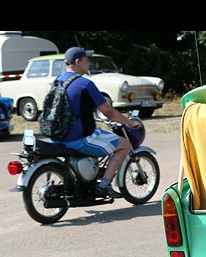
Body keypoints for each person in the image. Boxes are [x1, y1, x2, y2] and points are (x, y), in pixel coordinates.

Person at [48, 47, 141, 199]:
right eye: (87, 60)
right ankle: (103, 186)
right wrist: (128, 122)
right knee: (124, 145)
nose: (89, 64)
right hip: (79, 138)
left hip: (57, 136)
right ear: (78, 62)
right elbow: (108, 112)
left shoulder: (57, 81)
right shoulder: (84, 84)